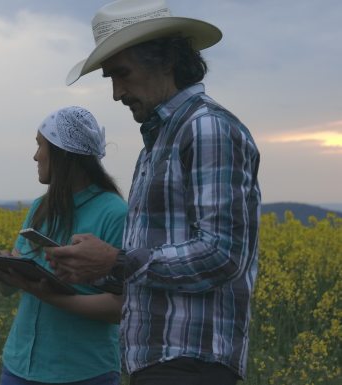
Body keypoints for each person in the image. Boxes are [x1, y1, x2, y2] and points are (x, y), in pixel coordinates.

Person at [47, 1, 261, 384]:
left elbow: (224, 255)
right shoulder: (159, 142)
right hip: (159, 361)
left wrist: (115, 260)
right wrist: (90, 270)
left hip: (192, 363)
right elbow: (152, 269)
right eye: (110, 78)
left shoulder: (205, 129)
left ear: (165, 60)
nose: (116, 93)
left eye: (123, 74)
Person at [0, 106, 128, 385]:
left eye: (41, 145)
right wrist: (3, 270)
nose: (35, 155)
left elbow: (120, 308)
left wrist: (53, 297)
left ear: (63, 155)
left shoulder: (115, 212)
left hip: (82, 371)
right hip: (19, 365)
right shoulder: (41, 207)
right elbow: (14, 284)